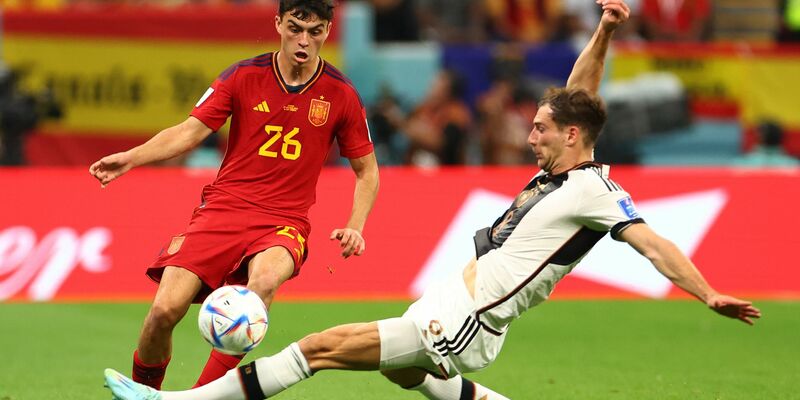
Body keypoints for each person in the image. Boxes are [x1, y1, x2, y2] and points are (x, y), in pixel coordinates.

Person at [103, 1, 761, 398]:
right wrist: (605, 32)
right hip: (456, 301)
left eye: (540, 128)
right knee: (402, 373)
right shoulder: (570, 155)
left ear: (570, 137)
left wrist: (707, 293)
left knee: (318, 349)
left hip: (470, 319)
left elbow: (654, 244)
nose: (529, 134)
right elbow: (578, 96)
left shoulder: (594, 190)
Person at [90, 0, 379, 391]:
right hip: (222, 209)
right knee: (163, 312)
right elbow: (189, 132)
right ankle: (146, 393)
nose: (303, 41)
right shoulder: (243, 76)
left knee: (261, 287)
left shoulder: (341, 94)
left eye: (315, 32)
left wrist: (355, 225)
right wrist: (131, 158)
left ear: (327, 31)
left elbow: (367, 171)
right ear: (278, 24)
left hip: (284, 222)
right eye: (295, 28)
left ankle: (199, 398)